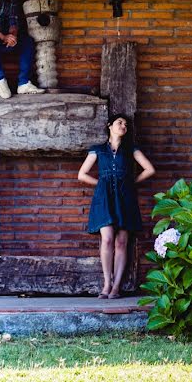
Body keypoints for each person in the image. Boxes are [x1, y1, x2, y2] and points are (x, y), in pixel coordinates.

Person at [78, 113, 155, 299]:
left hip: (125, 197)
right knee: (107, 239)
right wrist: (101, 184)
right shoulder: (97, 150)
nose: (123, 126)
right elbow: (82, 174)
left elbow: (150, 169)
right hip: (104, 199)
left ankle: (116, 287)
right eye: (120, 122)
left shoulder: (131, 149)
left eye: (126, 124)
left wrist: (132, 182)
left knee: (122, 242)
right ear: (109, 126)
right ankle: (106, 284)